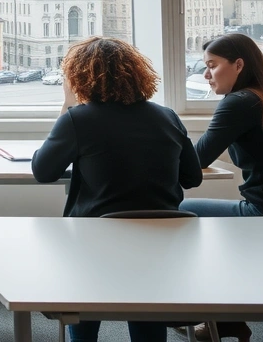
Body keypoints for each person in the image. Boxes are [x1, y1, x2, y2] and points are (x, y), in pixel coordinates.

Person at [32, 37, 203, 342]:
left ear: (79, 78)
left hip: (96, 245)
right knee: (147, 311)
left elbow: (43, 172)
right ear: (138, 74)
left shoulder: (78, 119)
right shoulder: (167, 116)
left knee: (84, 311)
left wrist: (67, 105)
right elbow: (193, 177)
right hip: (159, 246)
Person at [177, 33, 263, 342]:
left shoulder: (240, 102)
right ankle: (227, 319)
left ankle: (203, 312)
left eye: (212, 65)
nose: (206, 75)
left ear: (239, 65)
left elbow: (196, 161)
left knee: (178, 211)